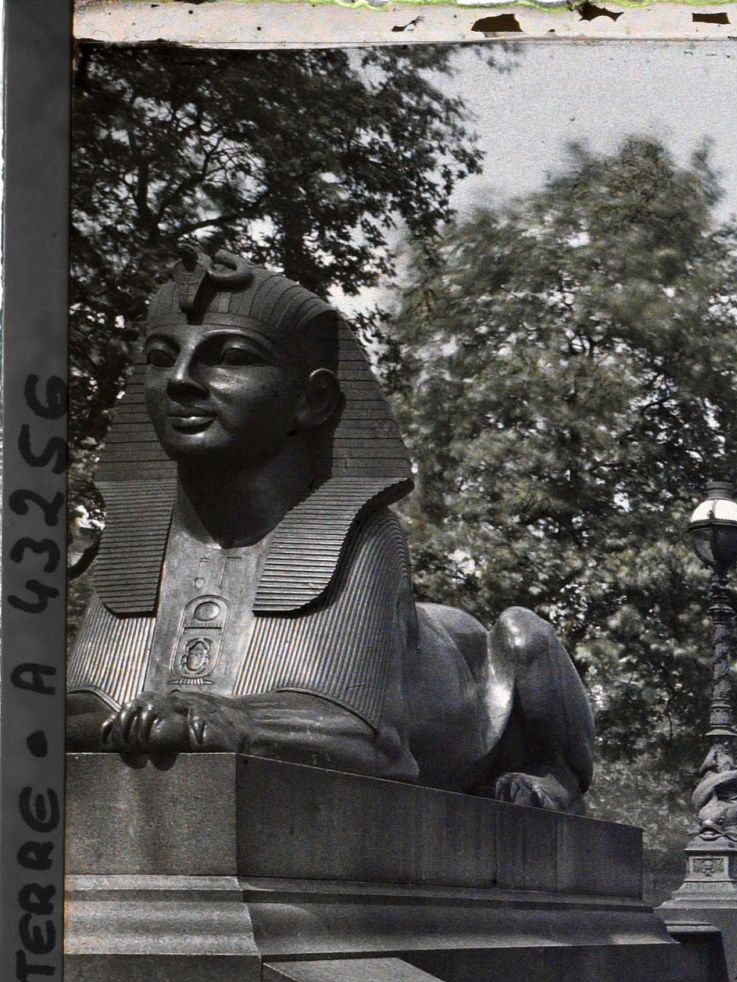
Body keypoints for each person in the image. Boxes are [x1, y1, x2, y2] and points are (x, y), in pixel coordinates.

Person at [67, 247, 594, 811]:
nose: (180, 380)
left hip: (468, 716)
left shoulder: (363, 536)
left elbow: (375, 745)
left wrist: (226, 716)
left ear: (314, 400)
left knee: (521, 634)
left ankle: (553, 772)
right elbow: (89, 711)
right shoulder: (137, 542)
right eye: (160, 356)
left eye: (232, 357)